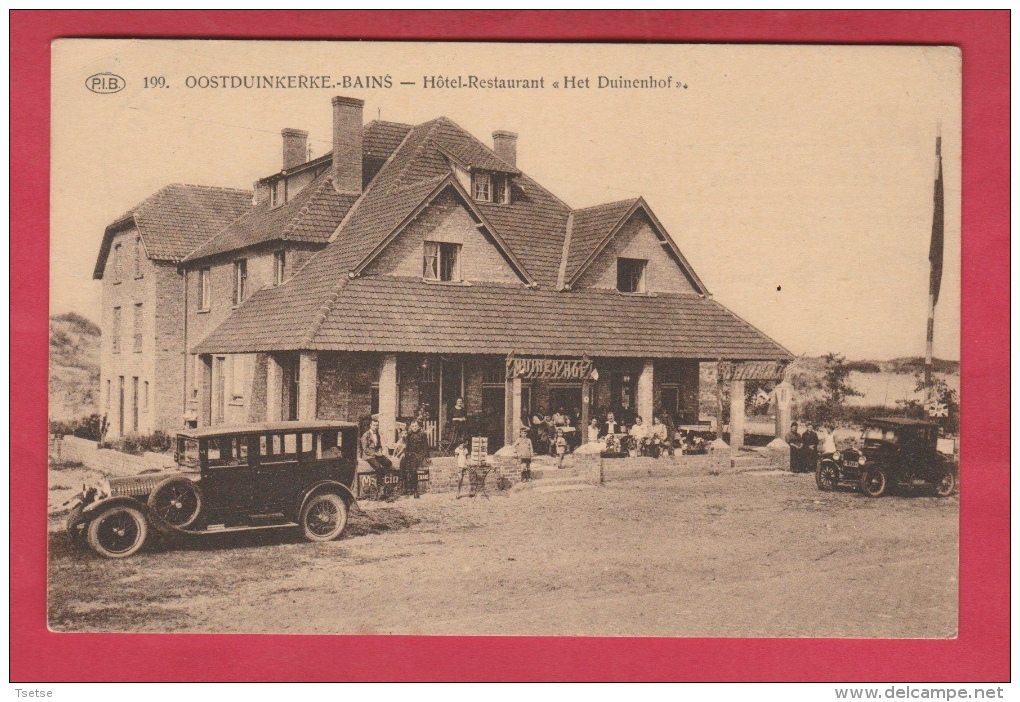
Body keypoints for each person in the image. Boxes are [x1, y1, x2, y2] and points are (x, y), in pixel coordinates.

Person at [360, 417, 394, 498]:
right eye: (374, 425)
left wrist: (380, 451)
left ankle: (384, 482)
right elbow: (365, 449)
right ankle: (379, 487)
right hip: (369, 456)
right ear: (370, 425)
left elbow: (378, 445)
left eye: (377, 425)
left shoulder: (377, 434)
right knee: (378, 467)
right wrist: (375, 454)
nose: (375, 427)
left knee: (388, 463)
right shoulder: (365, 435)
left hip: (376, 454)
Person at [402, 420, 429, 498]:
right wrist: (405, 453)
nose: (414, 428)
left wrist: (427, 456)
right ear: (411, 427)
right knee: (402, 463)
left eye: (415, 426)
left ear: (418, 426)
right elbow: (407, 446)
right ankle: (402, 486)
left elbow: (426, 446)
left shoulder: (422, 434)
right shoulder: (409, 435)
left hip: (419, 455)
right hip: (411, 454)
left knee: (413, 469)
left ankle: (415, 490)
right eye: (412, 426)